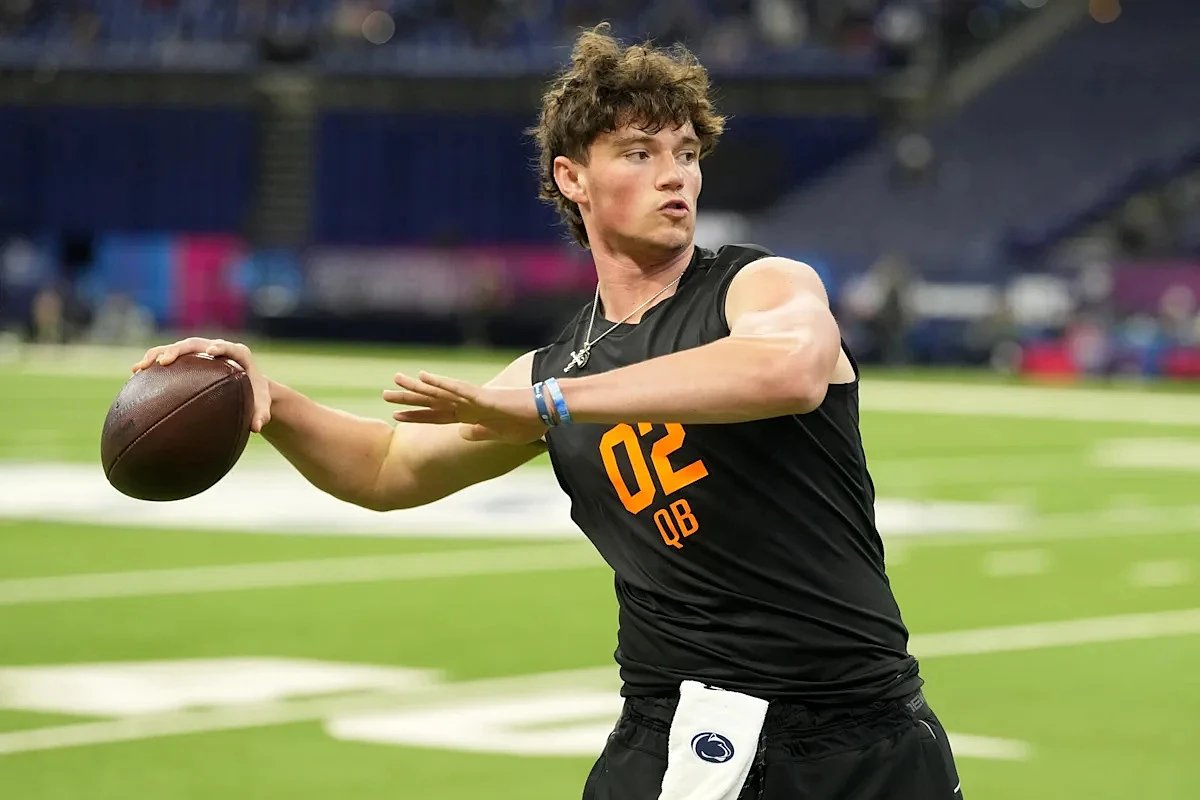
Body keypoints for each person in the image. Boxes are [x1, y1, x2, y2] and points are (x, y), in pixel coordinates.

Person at [133, 24, 962, 800]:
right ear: (573, 178)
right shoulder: (556, 365)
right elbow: (387, 469)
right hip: (676, 728)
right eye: (639, 152)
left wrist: (549, 404)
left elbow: (788, 370)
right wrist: (272, 401)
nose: (675, 174)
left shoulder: (758, 284)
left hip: (860, 732)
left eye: (685, 152)